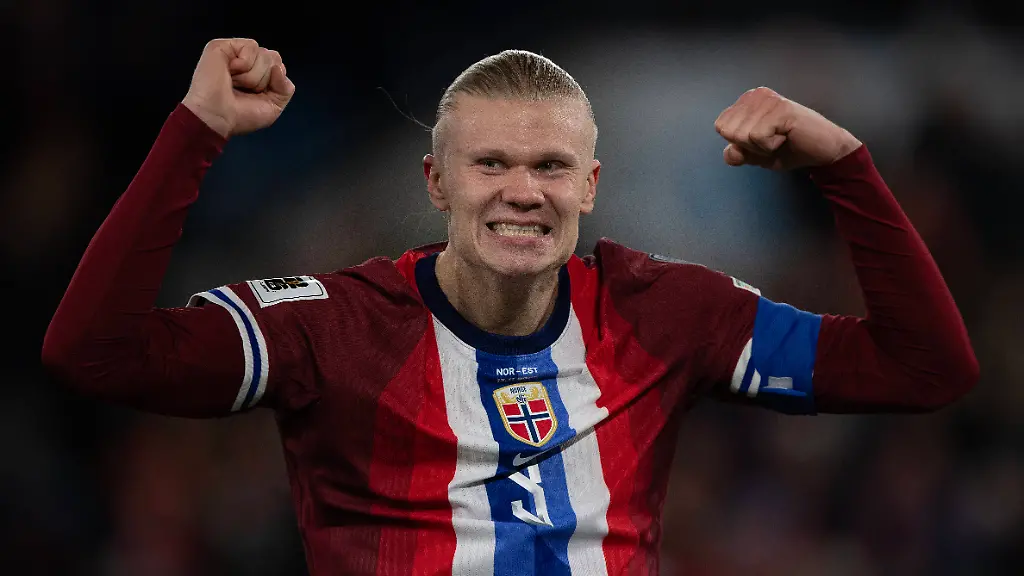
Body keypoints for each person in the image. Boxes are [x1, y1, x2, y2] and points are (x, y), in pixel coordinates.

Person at [42, 37, 979, 575]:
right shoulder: (329, 325)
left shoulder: (664, 312)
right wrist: (197, 131)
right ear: (435, 181)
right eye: (490, 163)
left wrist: (845, 169)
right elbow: (94, 353)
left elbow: (925, 369)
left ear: (591, 186)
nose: (522, 192)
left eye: (550, 166)